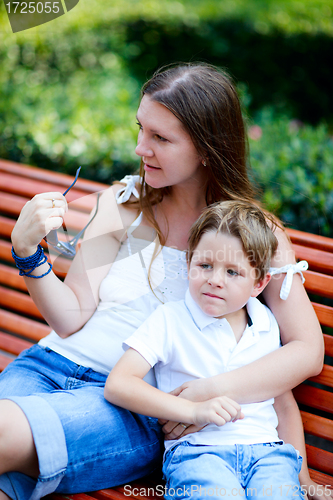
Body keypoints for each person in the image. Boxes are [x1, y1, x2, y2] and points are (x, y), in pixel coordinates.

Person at [0, 63, 325, 500]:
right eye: (141, 129)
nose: (140, 148)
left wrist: (204, 395)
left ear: (208, 147)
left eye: (160, 138)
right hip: (45, 368)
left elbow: (307, 351)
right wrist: (28, 254)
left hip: (125, 405)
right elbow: (70, 318)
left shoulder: (250, 235)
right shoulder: (122, 204)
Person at [104, 200, 305, 499]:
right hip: (198, 455)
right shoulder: (171, 320)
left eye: (232, 272)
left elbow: (284, 404)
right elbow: (119, 384)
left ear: (259, 283)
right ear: (188, 264)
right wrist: (194, 410)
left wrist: (306, 479)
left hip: (269, 455)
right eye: (205, 265)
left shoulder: (266, 324)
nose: (214, 280)